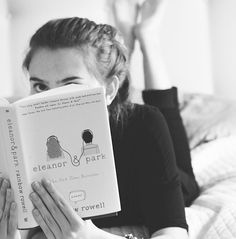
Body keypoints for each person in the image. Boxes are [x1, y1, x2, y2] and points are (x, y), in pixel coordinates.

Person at [0, 0, 199, 238]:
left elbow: (173, 232)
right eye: (40, 86)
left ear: (109, 90)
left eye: (70, 84)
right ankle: (122, 46)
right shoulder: (17, 137)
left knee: (164, 119)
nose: (50, 100)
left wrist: (90, 236)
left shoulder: (144, 124)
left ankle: (147, 38)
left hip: (155, 164)